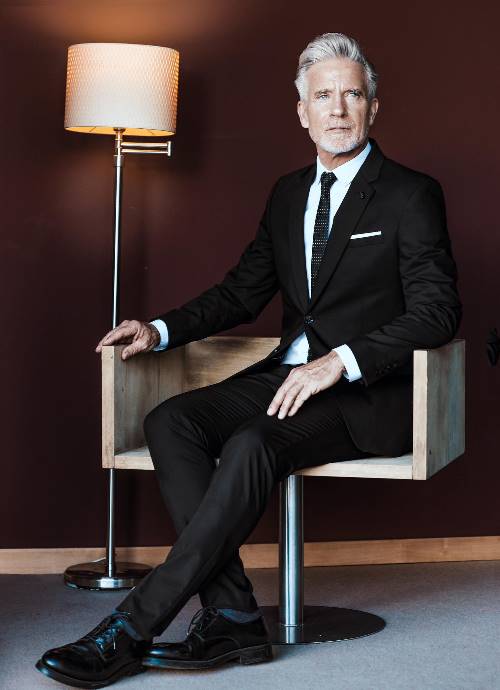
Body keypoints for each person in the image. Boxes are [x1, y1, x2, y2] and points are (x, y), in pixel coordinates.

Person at [36, 31, 462, 687]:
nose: (338, 108)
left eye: (352, 94)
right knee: (171, 420)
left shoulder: (411, 194)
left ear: (373, 107)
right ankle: (234, 616)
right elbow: (242, 291)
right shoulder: (288, 194)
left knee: (251, 442)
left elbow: (438, 311)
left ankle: (130, 627)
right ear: (302, 111)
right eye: (323, 96)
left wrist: (338, 361)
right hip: (285, 377)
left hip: (365, 393)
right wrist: (159, 329)